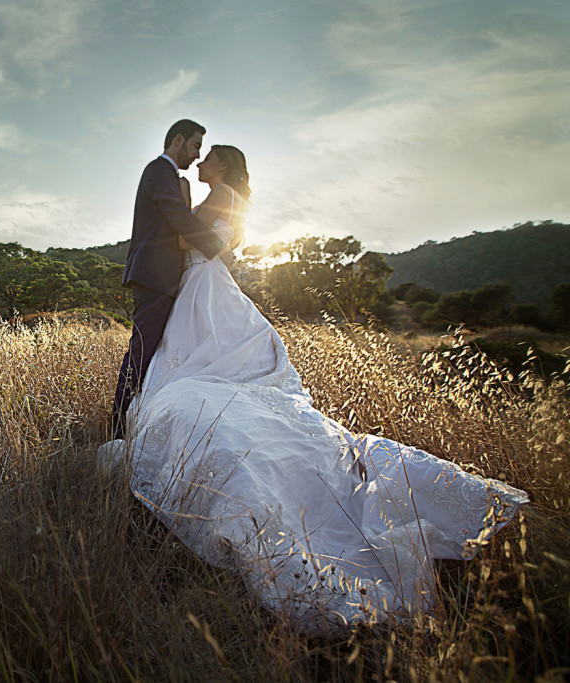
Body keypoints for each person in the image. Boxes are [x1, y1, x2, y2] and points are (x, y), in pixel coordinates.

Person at [99, 144, 528, 631]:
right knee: (208, 360)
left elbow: (202, 241)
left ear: (221, 164)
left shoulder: (219, 196)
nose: (200, 162)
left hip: (205, 285)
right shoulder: (228, 195)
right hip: (207, 286)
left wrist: (167, 238)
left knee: (194, 363)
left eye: (207, 156)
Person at [110, 120, 235, 440]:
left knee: (157, 354)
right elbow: (178, 218)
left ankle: (146, 426)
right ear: (178, 140)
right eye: (195, 146)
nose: (196, 156)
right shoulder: (159, 172)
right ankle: (117, 429)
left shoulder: (172, 177)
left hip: (167, 277)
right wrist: (217, 247)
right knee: (142, 352)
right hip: (154, 275)